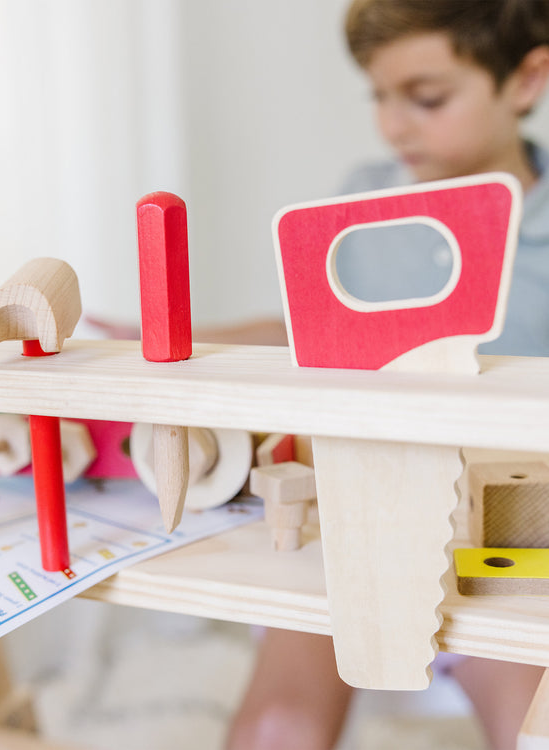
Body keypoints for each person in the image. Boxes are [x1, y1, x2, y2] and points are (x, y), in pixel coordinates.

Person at [224, 1, 549, 749]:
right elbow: (307, 335)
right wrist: (164, 336)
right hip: (358, 528)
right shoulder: (363, 200)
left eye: (426, 99)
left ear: (526, 80)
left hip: (513, 541)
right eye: (378, 95)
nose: (393, 126)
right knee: (276, 728)